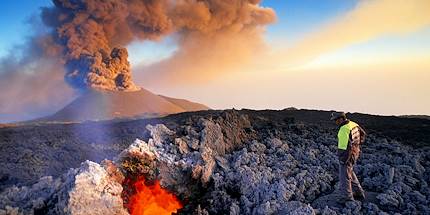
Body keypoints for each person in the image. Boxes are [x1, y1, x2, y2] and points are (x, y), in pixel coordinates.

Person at [330, 112, 366, 202]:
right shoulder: (353, 124)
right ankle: (359, 192)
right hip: (355, 152)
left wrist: (343, 160)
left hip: (348, 154)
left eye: (336, 120)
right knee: (349, 172)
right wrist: (357, 144)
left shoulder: (343, 129)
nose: (335, 122)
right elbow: (363, 134)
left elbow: (344, 148)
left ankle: (347, 197)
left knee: (344, 176)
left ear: (341, 118)